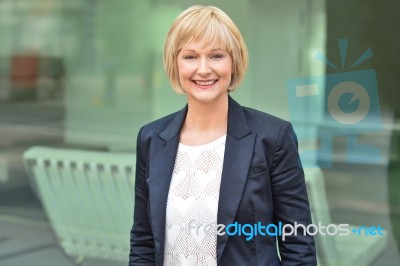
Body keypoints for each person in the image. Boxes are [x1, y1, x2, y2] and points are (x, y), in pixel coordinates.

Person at [129, 5, 316, 266]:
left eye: (216, 56)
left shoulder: (272, 137)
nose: (204, 69)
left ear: (233, 62)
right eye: (190, 57)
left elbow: (298, 242)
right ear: (175, 64)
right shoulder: (151, 139)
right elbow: (143, 240)